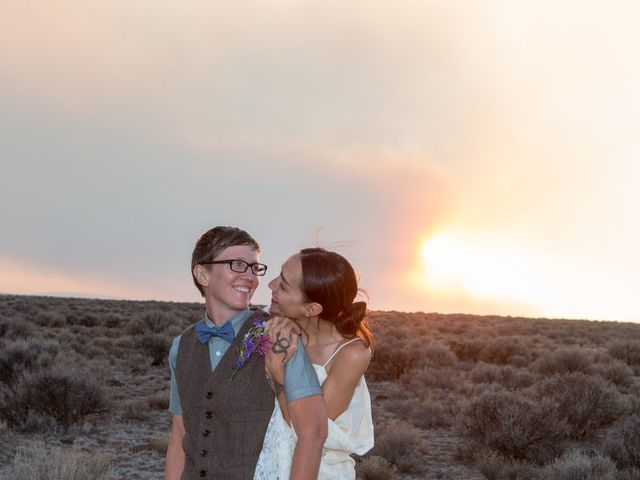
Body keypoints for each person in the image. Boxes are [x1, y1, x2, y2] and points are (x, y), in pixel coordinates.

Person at [164, 226, 327, 480]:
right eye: (237, 265)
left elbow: (314, 432)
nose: (250, 276)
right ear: (203, 274)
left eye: (254, 267)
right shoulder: (180, 347)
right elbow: (179, 434)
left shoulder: (280, 338)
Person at [254, 248, 375, 480]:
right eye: (279, 276)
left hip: (320, 470)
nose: (271, 285)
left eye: (284, 285)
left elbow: (310, 430)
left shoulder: (351, 354)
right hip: (266, 460)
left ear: (311, 309)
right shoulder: (273, 325)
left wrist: (278, 377)